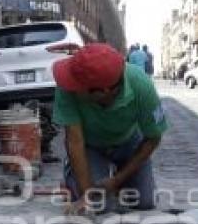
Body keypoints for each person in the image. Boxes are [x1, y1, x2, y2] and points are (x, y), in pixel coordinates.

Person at [52, 43, 168, 215]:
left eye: (79, 87)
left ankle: (119, 181)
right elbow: (75, 141)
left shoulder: (141, 85)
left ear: (103, 92)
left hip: (128, 142)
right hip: (90, 146)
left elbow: (153, 138)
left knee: (144, 202)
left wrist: (118, 179)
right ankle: (73, 176)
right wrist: (86, 195)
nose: (71, 87)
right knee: (98, 206)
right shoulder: (68, 85)